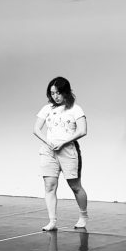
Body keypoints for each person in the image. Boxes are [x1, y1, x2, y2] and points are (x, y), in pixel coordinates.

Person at [34, 77, 89, 231]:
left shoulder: (75, 109)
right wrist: (47, 141)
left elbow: (82, 130)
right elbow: (36, 129)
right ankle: (52, 221)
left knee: (75, 186)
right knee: (49, 185)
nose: (55, 96)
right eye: (52, 93)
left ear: (66, 92)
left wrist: (64, 142)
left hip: (68, 149)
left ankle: (83, 215)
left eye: (58, 93)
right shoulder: (47, 109)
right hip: (48, 150)